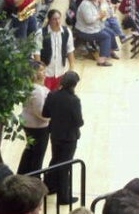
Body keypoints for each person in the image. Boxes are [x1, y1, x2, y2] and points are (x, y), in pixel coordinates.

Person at [42, 71, 83, 205]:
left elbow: (45, 113)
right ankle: (64, 197)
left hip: (55, 134)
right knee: (65, 166)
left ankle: (49, 186)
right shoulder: (74, 100)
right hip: (69, 138)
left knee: (55, 160)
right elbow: (79, 122)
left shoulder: (52, 95)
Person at [17, 60, 50, 174]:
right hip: (38, 127)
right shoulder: (37, 91)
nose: (44, 72)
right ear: (33, 73)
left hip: (28, 124)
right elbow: (41, 113)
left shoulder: (29, 87)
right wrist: (52, 117)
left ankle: (22, 174)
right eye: (41, 70)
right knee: (37, 155)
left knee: (29, 151)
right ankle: (35, 178)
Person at [33, 9, 75, 91]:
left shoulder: (67, 32)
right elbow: (36, 52)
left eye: (59, 18)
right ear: (49, 20)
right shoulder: (41, 33)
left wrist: (71, 67)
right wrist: (40, 70)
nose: (57, 21)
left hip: (60, 72)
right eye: (54, 19)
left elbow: (70, 50)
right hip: (47, 72)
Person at [74, 0, 116, 67]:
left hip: (93, 27)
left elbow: (96, 11)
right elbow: (89, 20)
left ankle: (110, 51)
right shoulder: (85, 5)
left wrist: (100, 5)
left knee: (110, 32)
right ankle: (101, 60)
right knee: (106, 37)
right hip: (85, 31)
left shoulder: (91, 2)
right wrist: (99, 16)